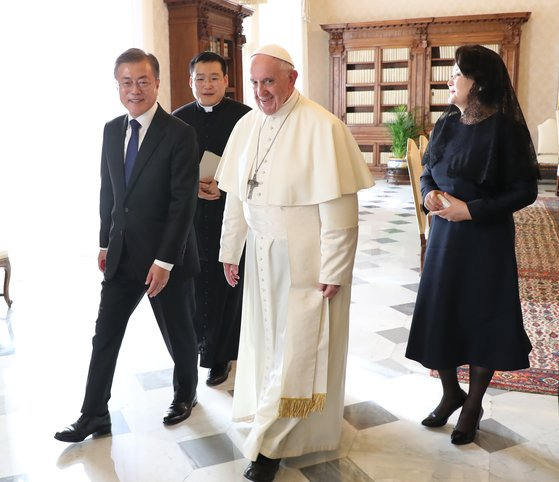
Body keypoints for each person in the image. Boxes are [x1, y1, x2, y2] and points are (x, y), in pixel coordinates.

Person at [215, 45, 374, 481]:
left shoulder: (323, 128)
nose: (261, 91)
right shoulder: (247, 125)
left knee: (299, 350)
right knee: (269, 345)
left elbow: (340, 212)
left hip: (305, 260)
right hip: (260, 256)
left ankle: (272, 446)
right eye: (255, 82)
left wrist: (334, 268)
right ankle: (269, 418)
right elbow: (236, 197)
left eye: (269, 81)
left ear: (292, 78)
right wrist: (231, 250)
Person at [55, 48, 200, 443]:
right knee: (105, 335)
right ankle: (94, 414)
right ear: (117, 85)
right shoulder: (110, 129)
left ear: (156, 82)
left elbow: (182, 202)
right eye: (126, 82)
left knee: (180, 333)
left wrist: (165, 261)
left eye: (142, 81)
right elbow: (111, 192)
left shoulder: (180, 134)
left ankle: (185, 395)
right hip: (121, 255)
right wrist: (104, 241)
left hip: (165, 259)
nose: (134, 89)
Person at [405, 45, 540, 445]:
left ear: (478, 82)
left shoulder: (506, 129)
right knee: (441, 312)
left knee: (483, 318)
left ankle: (473, 404)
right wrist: (428, 194)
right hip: (445, 238)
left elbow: (525, 190)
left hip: (486, 239)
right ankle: (450, 393)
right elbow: (429, 170)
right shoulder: (448, 120)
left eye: (457, 74)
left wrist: (473, 210)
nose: (450, 80)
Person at [173, 51, 250, 387]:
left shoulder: (246, 118)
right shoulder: (176, 120)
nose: (206, 84)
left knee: (225, 286)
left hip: (230, 216)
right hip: (191, 220)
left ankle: (221, 356)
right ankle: (198, 349)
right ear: (190, 82)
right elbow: (167, 173)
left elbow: (256, 167)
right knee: (194, 286)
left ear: (226, 81)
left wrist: (225, 184)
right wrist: (194, 187)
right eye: (199, 78)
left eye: (213, 77)